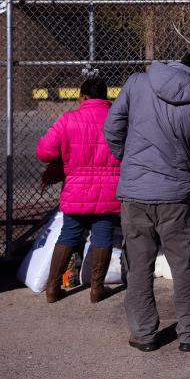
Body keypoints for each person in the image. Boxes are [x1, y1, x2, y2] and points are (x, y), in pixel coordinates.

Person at [103, 52, 190, 353]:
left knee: (139, 267)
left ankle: (144, 334)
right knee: (183, 266)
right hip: (175, 195)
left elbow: (111, 128)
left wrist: (128, 162)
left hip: (135, 193)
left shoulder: (136, 83)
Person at [35, 77, 122, 304]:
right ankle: (96, 289)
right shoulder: (119, 120)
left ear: (83, 96)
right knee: (103, 236)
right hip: (110, 192)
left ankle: (52, 289)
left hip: (76, 191)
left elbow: (44, 152)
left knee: (69, 234)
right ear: (107, 97)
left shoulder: (68, 119)